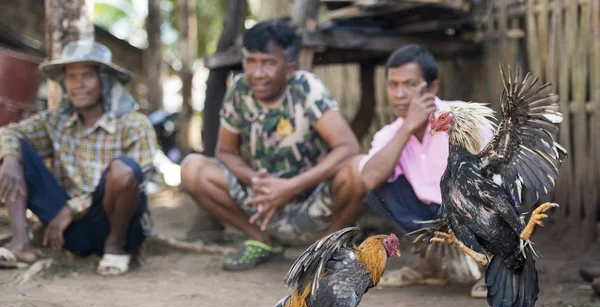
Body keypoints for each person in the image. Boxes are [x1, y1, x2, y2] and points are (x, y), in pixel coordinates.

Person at [181, 20, 364, 271]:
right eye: (251, 61)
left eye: (268, 63)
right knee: (193, 169)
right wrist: (257, 181)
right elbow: (225, 152)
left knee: (358, 169)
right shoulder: (239, 90)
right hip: (262, 204)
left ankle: (326, 250)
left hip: (312, 204)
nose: (257, 73)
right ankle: (262, 241)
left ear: (289, 68)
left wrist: (291, 187)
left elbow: (348, 147)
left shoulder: (305, 87)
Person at [0, 41, 158, 276]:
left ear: (104, 80)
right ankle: (21, 244)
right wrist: (10, 158)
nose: (78, 84)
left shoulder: (134, 124)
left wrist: (71, 209)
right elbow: (8, 132)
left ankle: (114, 248)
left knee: (123, 170)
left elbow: (141, 177)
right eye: (72, 76)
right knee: (12, 149)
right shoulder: (56, 121)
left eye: (87, 75)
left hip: (119, 227)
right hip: (68, 231)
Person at [358, 44, 492, 297]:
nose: (399, 94)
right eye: (393, 85)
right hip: (435, 219)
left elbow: (493, 180)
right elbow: (369, 179)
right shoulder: (391, 133)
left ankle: (496, 267)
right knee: (380, 186)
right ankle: (431, 266)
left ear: (432, 89)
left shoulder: (461, 118)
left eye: (409, 84)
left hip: (474, 210)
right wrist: (408, 127)